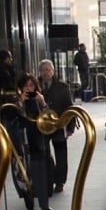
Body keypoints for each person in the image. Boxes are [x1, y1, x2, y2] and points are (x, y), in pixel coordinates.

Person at [15, 73, 55, 210]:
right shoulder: (16, 102)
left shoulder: (39, 100)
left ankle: (44, 205)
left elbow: (49, 120)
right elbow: (15, 121)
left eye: (31, 85)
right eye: (25, 86)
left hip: (39, 143)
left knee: (41, 176)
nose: (29, 89)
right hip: (24, 145)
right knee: (25, 178)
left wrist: (43, 103)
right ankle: (29, 207)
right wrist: (20, 103)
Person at [38, 59, 74, 194]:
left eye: (48, 70)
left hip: (58, 126)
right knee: (44, 154)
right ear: (40, 72)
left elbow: (69, 107)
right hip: (41, 127)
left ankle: (60, 181)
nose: (46, 73)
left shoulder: (62, 87)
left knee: (61, 154)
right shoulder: (35, 86)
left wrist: (70, 127)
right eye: (43, 70)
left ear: (53, 71)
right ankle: (49, 179)